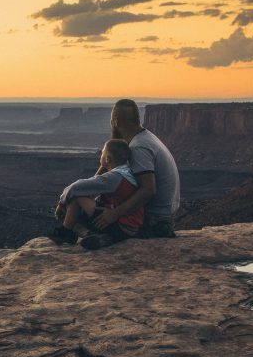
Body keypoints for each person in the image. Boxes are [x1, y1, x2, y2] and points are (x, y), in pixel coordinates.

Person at [89, 98, 181, 246]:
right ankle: (108, 236)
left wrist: (115, 214)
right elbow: (105, 175)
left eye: (111, 120)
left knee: (85, 212)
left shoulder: (138, 147)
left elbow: (148, 190)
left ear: (116, 121)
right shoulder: (144, 138)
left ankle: (110, 237)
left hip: (154, 220)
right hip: (163, 216)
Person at [51, 139, 143, 249]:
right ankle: (96, 236)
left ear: (108, 159)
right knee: (84, 201)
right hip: (130, 227)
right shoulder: (126, 172)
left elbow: (76, 187)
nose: (100, 155)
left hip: (121, 225)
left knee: (76, 197)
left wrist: (61, 203)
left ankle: (66, 233)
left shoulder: (114, 177)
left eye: (102, 152)